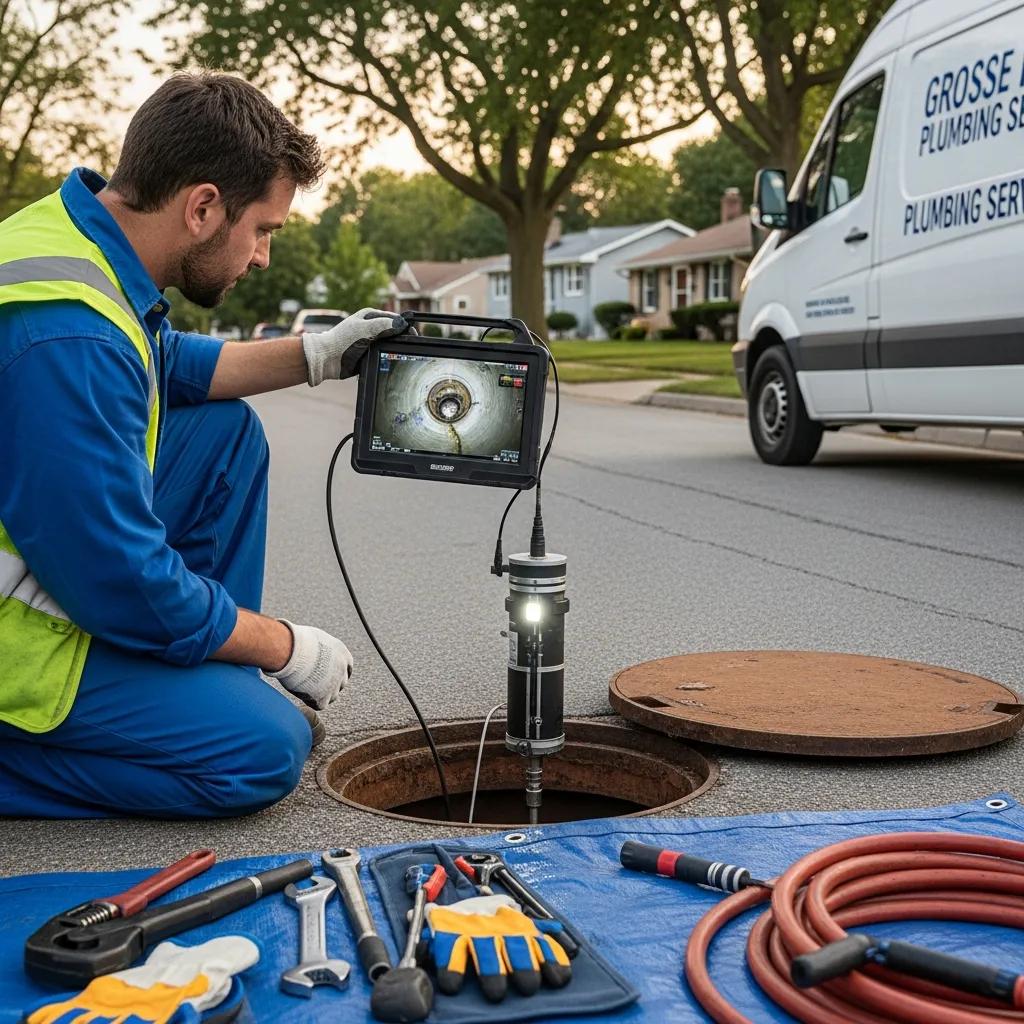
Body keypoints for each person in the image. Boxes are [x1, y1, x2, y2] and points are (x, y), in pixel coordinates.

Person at [0, 72, 406, 819]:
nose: (262, 258)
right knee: (261, 752)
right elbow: (120, 580)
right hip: (15, 650)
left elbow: (171, 364)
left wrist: (322, 353)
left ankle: (188, 680)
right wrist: (282, 646)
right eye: (263, 231)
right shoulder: (69, 335)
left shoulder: (79, 241)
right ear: (203, 208)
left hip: (58, 557)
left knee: (223, 430)